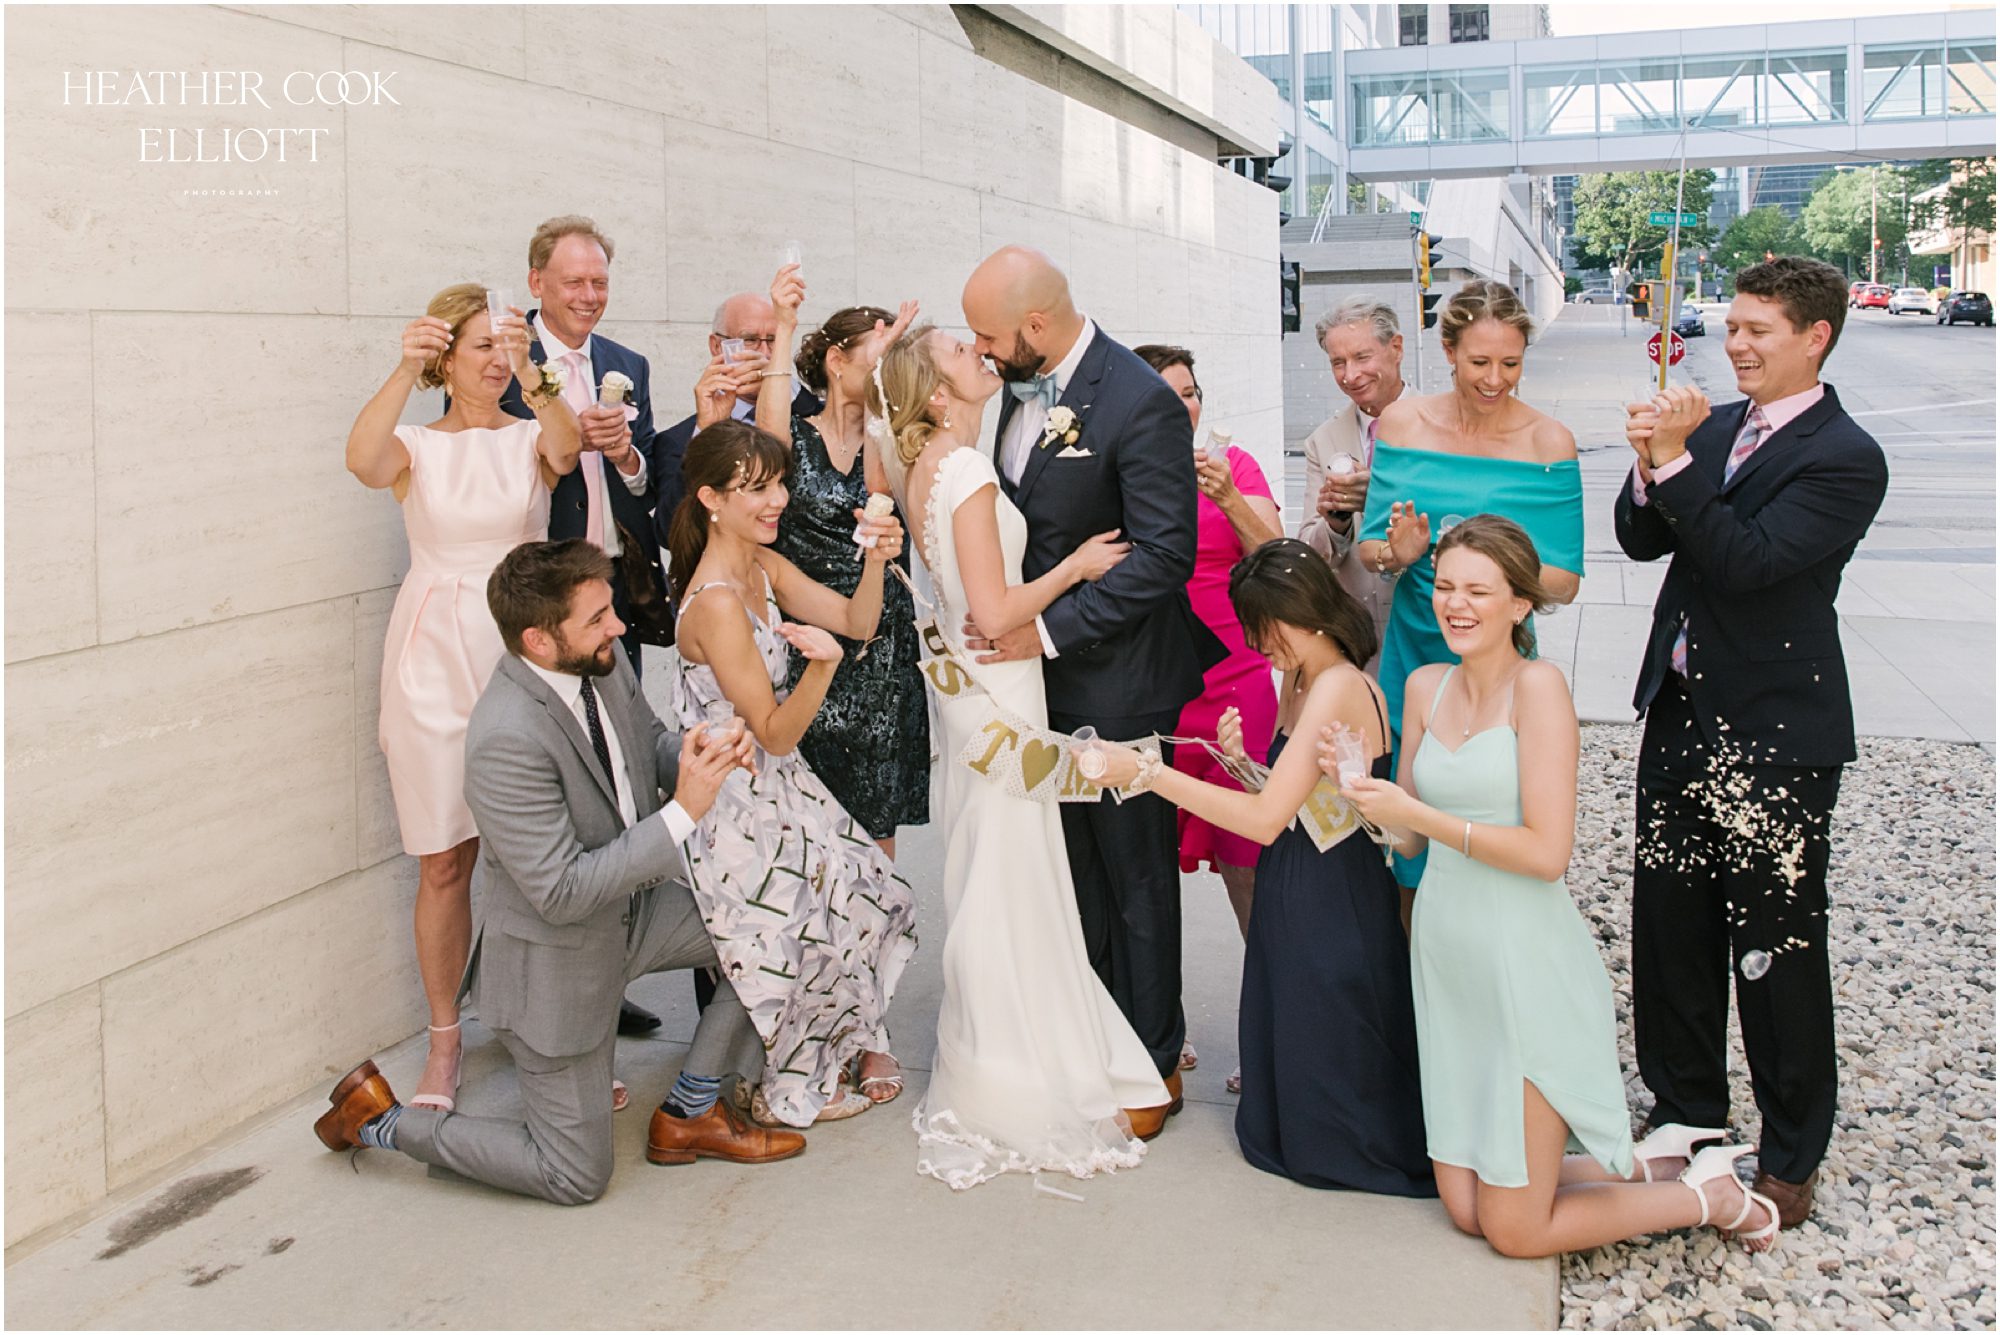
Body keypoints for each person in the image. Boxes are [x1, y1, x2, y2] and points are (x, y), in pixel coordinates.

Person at [1324, 515, 1778, 1258]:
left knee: (1513, 1229)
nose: (1456, 604)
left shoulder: (1538, 688)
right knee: (1465, 1208)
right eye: (1445, 586)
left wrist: (1419, 814)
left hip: (1522, 960)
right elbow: (1408, 840)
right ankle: (1648, 1165)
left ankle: (1709, 1197)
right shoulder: (1425, 686)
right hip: (1447, 956)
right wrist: (1361, 794)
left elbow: (1546, 854)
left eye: (1478, 591)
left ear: (1521, 603)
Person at [313, 540, 800, 1203]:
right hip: (557, 961)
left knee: (773, 922)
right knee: (574, 1176)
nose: (619, 626)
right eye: (598, 618)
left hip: (633, 914)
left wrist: (697, 749)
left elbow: (646, 744)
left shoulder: (600, 662)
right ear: (538, 640)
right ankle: (382, 1122)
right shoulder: (504, 738)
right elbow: (563, 893)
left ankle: (692, 1109)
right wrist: (684, 811)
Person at [1616, 255, 1888, 1231]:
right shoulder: (1712, 425)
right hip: (1679, 715)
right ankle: (1685, 1110)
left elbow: (1745, 562)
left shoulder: (1844, 455)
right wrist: (1648, 460)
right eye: (1731, 326)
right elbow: (1642, 538)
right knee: (1670, 928)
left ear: (1814, 337)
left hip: (1775, 734)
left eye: (1755, 330)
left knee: (1774, 943)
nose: (1733, 344)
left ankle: (1788, 1153)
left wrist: (1675, 465)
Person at [869, 323, 1171, 1186]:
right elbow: (997, 612)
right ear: (937, 393)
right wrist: (1075, 566)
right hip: (1001, 683)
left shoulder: (919, 464)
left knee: (993, 864)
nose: (979, 352)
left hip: (973, 690)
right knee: (1011, 867)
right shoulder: (963, 469)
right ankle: (1013, 1061)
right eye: (959, 352)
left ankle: (1000, 1044)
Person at [959, 246, 1224, 1125]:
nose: (980, 350)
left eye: (989, 335)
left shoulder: (1140, 401)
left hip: (1120, 682)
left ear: (1035, 325)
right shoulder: (1013, 386)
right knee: (1076, 874)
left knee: (1136, 878)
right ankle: (1097, 1037)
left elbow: (1162, 555)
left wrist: (1041, 630)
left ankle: (1154, 1062)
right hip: (1038, 682)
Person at [1087, 539, 1432, 1196]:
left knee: (1336, 1040)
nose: (1257, 644)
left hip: (1333, 885)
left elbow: (1267, 819)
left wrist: (1148, 773)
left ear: (1306, 612)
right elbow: (1298, 796)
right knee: (1296, 1037)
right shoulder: (1300, 676)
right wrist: (1244, 763)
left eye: (1265, 628)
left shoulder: (1338, 683)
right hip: (1296, 874)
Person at [344, 281, 580, 1113]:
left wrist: (533, 366)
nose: (496, 360)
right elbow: (362, 461)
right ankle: (445, 1042)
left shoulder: (529, 435)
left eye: (504, 345)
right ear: (445, 358)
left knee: (538, 859)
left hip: (522, 649)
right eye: (481, 346)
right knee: (445, 860)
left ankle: (554, 1037)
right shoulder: (414, 445)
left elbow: (567, 448)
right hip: (433, 660)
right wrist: (400, 369)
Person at [662, 415, 918, 1129]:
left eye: (777, 483)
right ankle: (785, 1074)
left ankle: (829, 1048)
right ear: (712, 499)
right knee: (813, 915)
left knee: (875, 894)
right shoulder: (716, 602)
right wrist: (822, 669)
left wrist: (875, 556)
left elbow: (857, 620)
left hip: (778, 789)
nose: (776, 500)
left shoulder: (761, 567)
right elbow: (773, 733)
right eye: (756, 488)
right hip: (730, 803)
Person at [1357, 280, 1583, 892]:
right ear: (1449, 351)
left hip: (1499, 662)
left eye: (1511, 363)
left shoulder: (1548, 441)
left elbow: (1565, 581)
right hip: (1414, 648)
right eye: (1480, 362)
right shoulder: (1402, 424)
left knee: (1495, 817)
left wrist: (1486, 574)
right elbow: (1371, 549)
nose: (1495, 379)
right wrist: (1399, 553)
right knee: (1407, 843)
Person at [1133, 343, 1281, 1092]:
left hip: (1235, 681)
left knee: (1248, 861)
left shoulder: (1236, 465)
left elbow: (1279, 555)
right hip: (1153, 684)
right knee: (1148, 864)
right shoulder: (1123, 470)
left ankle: (1275, 1031)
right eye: (1167, 395)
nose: (1184, 406)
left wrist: (1227, 497)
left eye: (1191, 392)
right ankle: (1161, 1025)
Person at [759, 286, 929, 862]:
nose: (890, 369)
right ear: (836, 360)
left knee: (874, 820)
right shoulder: (793, 435)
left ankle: (878, 920)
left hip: (880, 643)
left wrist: (881, 381)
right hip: (805, 635)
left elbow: (879, 491)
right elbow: (766, 439)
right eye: (878, 357)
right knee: (803, 817)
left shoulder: (892, 437)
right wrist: (784, 322)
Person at [498, 215, 668, 675]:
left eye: (599, 283)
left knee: (621, 706)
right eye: (574, 282)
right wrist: (567, 438)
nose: (589, 297)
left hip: (614, 579)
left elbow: (648, 482)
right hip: (537, 584)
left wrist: (625, 456)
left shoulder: (629, 363)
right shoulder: (499, 362)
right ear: (536, 282)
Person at [1299, 297, 1409, 670]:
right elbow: (1309, 553)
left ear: (1396, 348)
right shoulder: (1322, 440)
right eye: (1338, 362)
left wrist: (1377, 497)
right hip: (1359, 639)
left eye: (1362, 357)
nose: (1350, 375)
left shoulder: (1443, 423)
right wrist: (1336, 523)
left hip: (1430, 623)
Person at [655, 291, 823, 533]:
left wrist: (780, 382)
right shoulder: (678, 440)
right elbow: (668, 530)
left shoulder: (810, 412)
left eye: (773, 340)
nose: (764, 353)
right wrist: (706, 431)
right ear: (717, 346)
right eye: (750, 340)